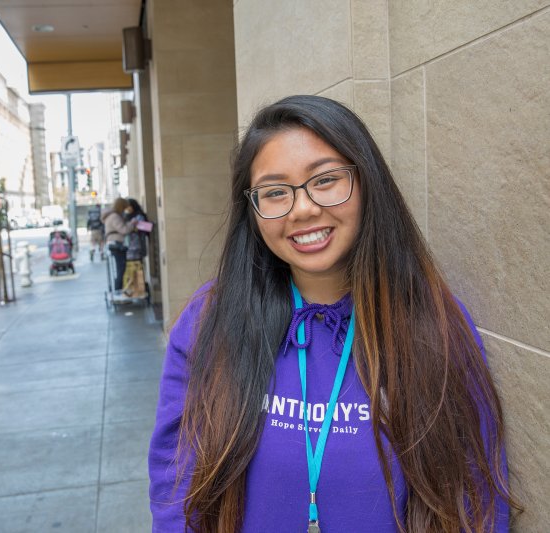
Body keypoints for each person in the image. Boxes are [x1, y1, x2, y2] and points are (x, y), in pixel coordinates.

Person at [148, 95, 520, 532]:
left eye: (325, 180)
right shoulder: (208, 320)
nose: (303, 208)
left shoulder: (430, 321)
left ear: (367, 184)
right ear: (252, 211)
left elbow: (473, 494)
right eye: (274, 192)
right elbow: (176, 491)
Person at [102, 197, 136, 294]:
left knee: (119, 269)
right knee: (120, 269)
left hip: (113, 244)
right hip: (116, 244)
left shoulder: (111, 215)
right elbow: (124, 230)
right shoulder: (115, 216)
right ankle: (118, 292)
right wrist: (132, 224)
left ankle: (117, 291)